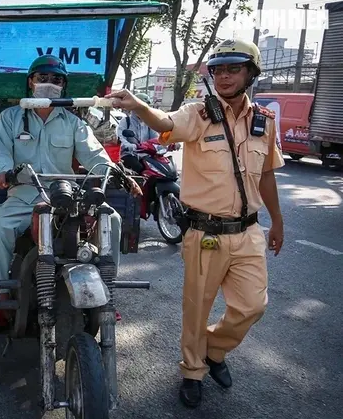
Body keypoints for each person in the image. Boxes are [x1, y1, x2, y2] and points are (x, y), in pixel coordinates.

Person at [106, 38, 285, 408]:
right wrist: (138, 105)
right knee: (197, 308)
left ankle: (214, 351)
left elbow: (267, 174)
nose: (223, 76)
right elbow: (164, 122)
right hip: (204, 232)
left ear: (251, 73)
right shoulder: (199, 114)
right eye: (218, 69)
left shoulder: (263, 122)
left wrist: (278, 223)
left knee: (252, 307)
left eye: (233, 69)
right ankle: (192, 370)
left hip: (249, 230)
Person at [0, 54, 141, 328]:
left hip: (67, 196)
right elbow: (2, 165)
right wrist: (4, 174)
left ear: (63, 86)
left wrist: (116, 173)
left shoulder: (74, 123)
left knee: (111, 219)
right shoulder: (9, 119)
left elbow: (95, 157)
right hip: (23, 197)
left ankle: (106, 294)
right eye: (43, 78)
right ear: (31, 82)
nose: (49, 83)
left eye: (56, 80)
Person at [116, 93, 160, 174]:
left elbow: (156, 138)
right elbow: (120, 137)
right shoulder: (126, 121)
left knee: (157, 169)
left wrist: (168, 143)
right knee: (140, 169)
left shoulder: (149, 123)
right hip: (129, 154)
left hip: (145, 155)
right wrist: (129, 146)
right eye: (140, 108)